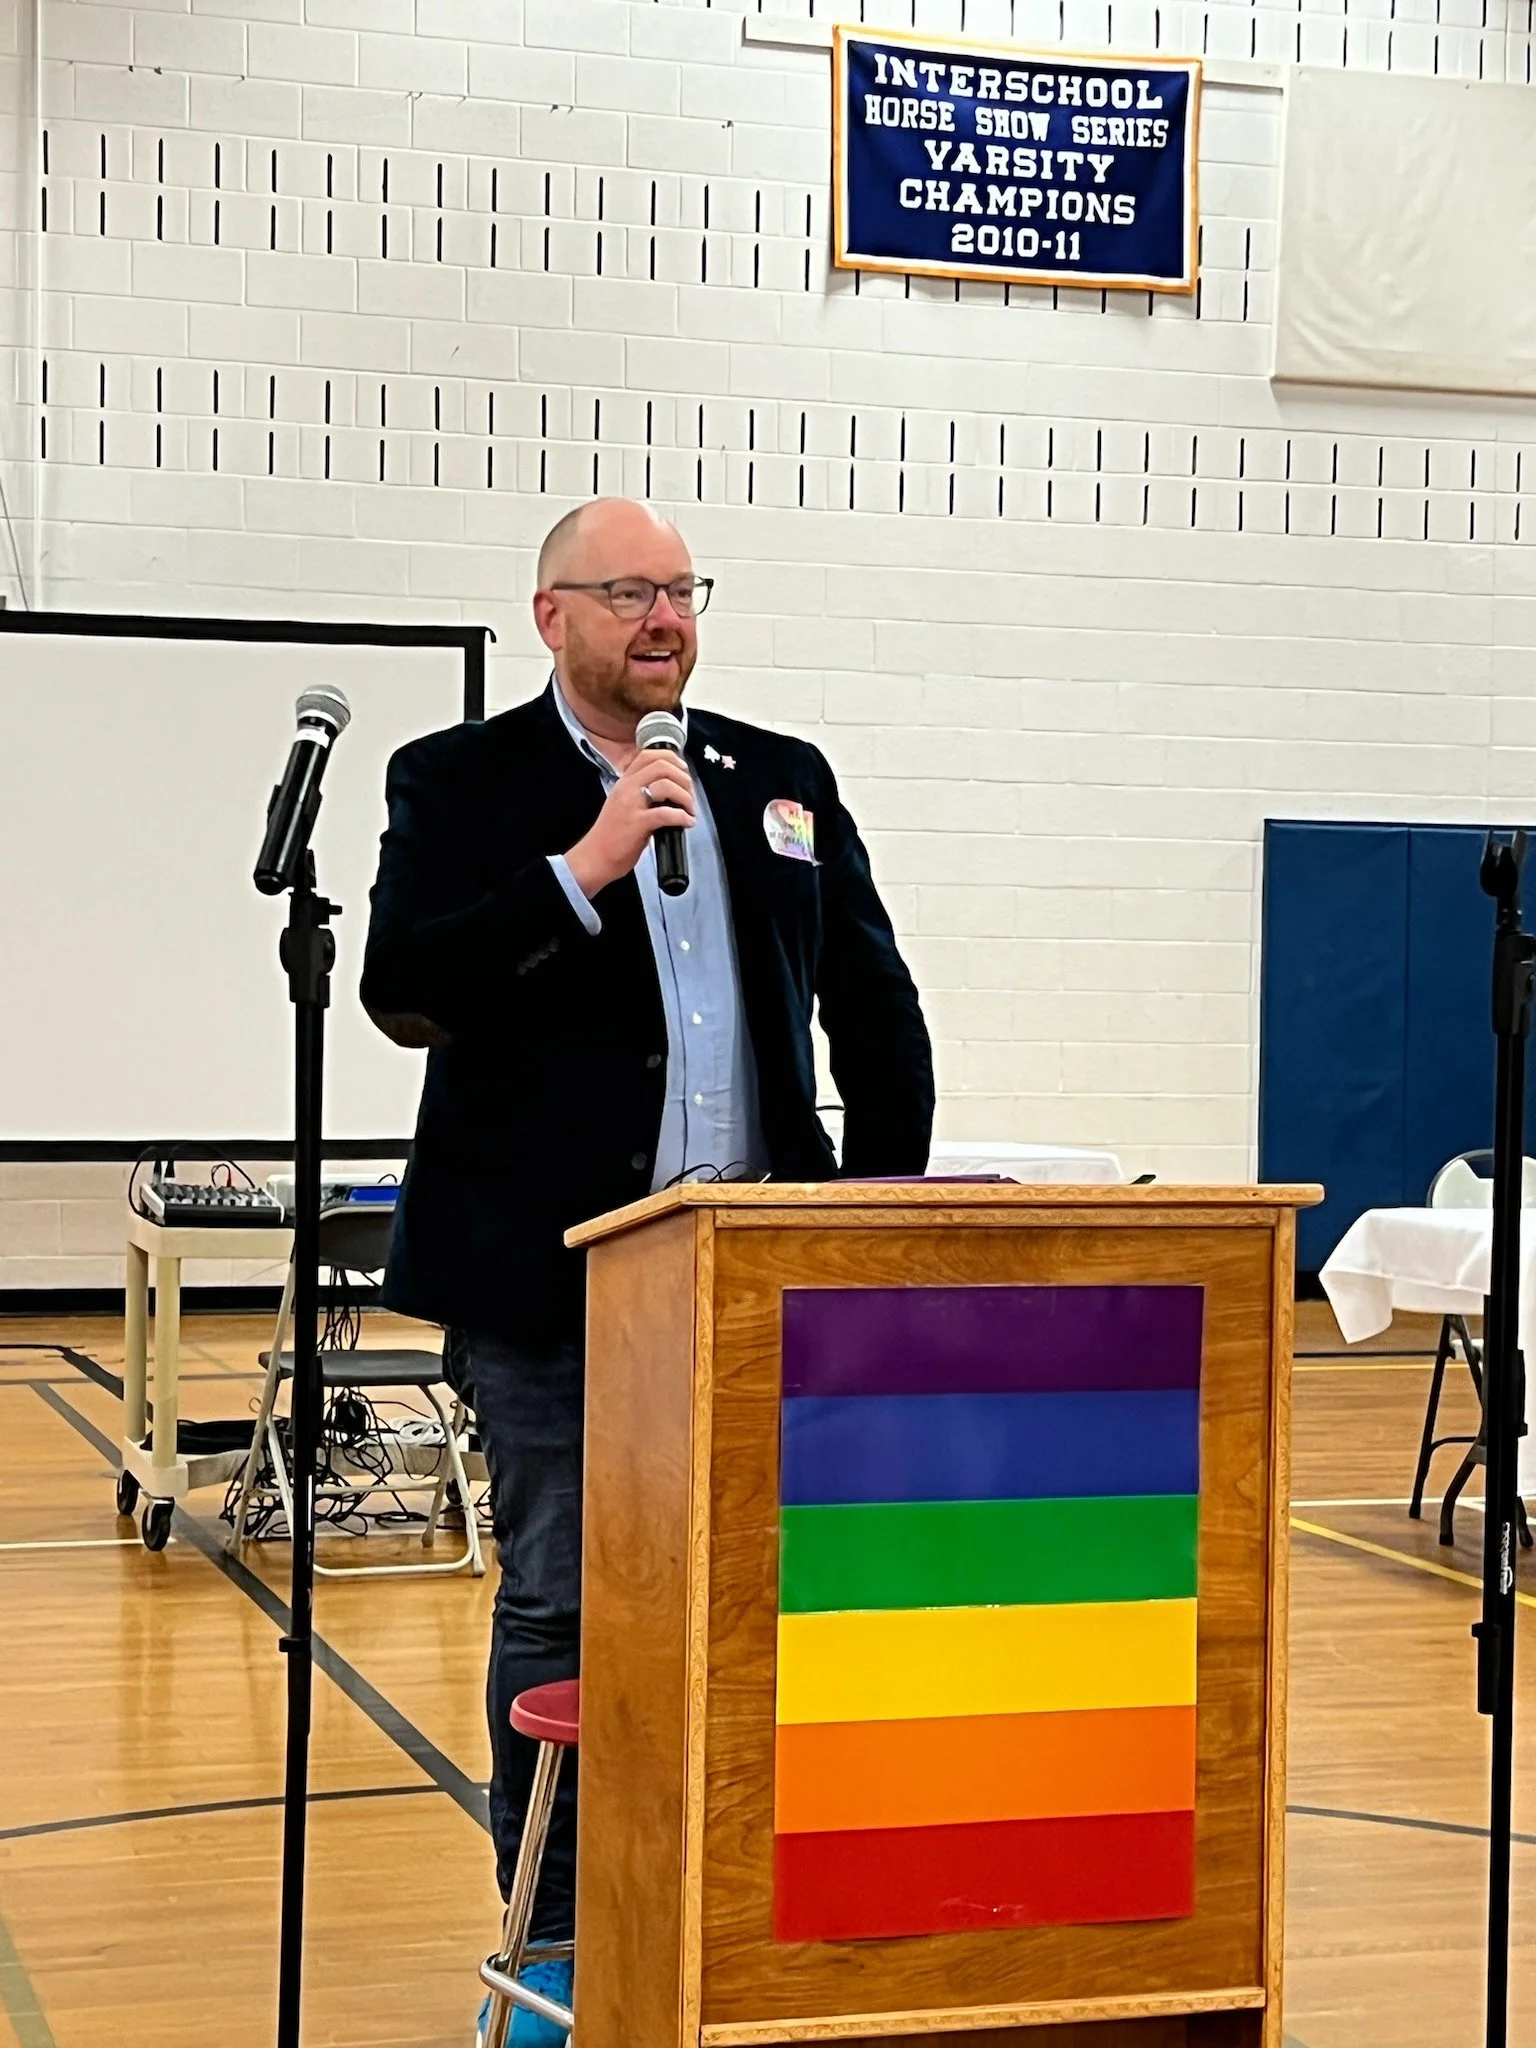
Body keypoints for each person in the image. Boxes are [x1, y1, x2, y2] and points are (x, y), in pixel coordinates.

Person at [361, 498, 934, 2042]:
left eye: (682, 591)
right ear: (551, 616)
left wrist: (877, 1217)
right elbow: (405, 991)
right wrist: (584, 865)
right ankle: (554, 1946)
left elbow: (873, 1007)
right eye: (629, 592)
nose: (663, 617)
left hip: (761, 1283)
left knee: (769, 1603)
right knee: (560, 1604)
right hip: (556, 1284)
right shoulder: (462, 779)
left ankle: (742, 1898)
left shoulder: (777, 780)